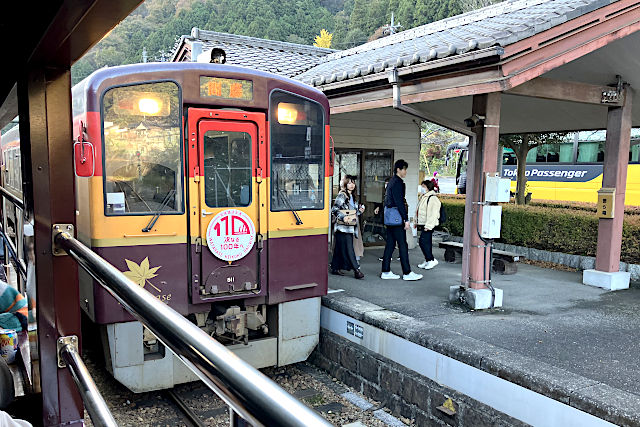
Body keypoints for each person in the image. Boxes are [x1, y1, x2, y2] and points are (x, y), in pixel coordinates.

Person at [381, 160, 422, 281]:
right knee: (403, 244)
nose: (405, 172)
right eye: (404, 169)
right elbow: (400, 202)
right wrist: (405, 219)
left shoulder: (391, 182)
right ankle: (407, 272)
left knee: (390, 244)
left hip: (389, 217)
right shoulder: (398, 183)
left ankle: (386, 270)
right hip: (397, 218)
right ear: (398, 169)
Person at [331, 176, 365, 279]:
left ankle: (335, 268)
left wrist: (360, 211)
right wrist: (343, 217)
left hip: (350, 227)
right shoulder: (342, 195)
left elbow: (353, 213)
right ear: (345, 184)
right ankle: (356, 270)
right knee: (349, 248)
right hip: (342, 227)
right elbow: (334, 209)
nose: (352, 185)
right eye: (349, 183)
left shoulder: (352, 197)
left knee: (339, 248)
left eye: (353, 183)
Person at [415, 179, 441, 270]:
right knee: (426, 242)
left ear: (428, 187)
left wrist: (428, 226)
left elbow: (432, 214)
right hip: (423, 223)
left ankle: (431, 259)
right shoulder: (424, 196)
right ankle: (428, 260)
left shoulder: (432, 198)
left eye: (423, 186)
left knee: (423, 242)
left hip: (428, 225)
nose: (422, 188)